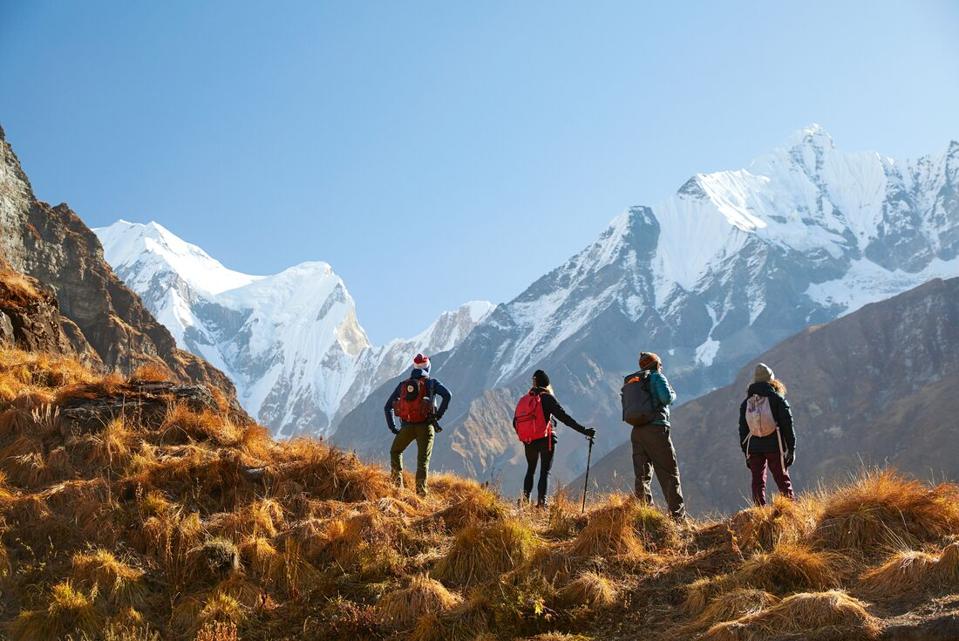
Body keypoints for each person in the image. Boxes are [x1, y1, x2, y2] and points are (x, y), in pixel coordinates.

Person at [513, 369, 595, 508]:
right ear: (547, 384)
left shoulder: (524, 400)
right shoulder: (547, 398)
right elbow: (564, 418)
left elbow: (515, 422)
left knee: (530, 470)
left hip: (529, 441)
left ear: (534, 383)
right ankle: (541, 504)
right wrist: (584, 430)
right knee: (544, 471)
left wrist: (527, 436)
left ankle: (525, 503)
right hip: (546, 439)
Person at [623, 352, 687, 520]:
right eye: (660, 363)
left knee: (642, 475)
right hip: (656, 429)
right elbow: (666, 398)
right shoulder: (657, 377)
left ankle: (645, 515)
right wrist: (672, 393)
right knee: (669, 472)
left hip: (637, 431)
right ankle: (678, 517)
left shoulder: (635, 381)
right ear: (656, 364)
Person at [384, 353, 451, 496]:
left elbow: (387, 407)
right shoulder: (431, 383)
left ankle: (397, 488)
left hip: (407, 426)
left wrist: (393, 427)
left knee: (395, 451)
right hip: (426, 426)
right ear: (428, 367)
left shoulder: (403, 385)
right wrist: (438, 415)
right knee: (422, 462)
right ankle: (421, 494)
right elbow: (447, 395)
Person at [739, 363, 796, 506]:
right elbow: (787, 425)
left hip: (754, 447)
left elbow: (743, 431)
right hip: (774, 445)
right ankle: (791, 509)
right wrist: (791, 449)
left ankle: (760, 511)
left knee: (758, 482)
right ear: (771, 380)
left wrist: (746, 453)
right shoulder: (777, 399)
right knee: (782, 479)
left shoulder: (746, 403)